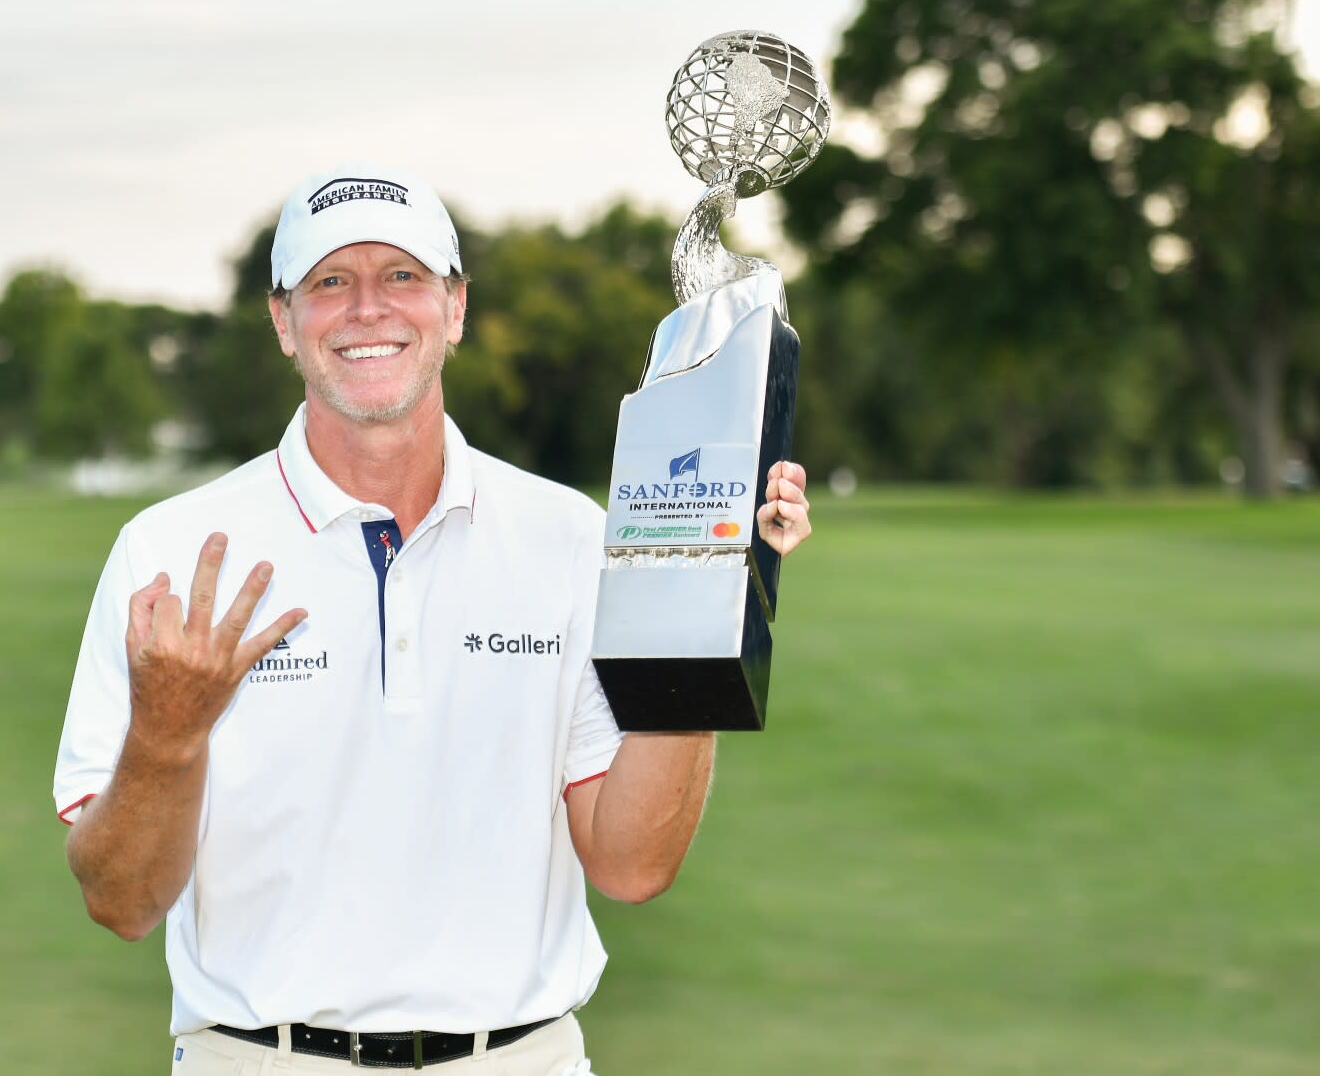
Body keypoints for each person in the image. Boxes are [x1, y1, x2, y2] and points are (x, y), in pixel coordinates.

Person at [53, 162, 813, 1073]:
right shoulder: (168, 552)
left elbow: (631, 864)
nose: (369, 308)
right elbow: (122, 902)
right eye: (331, 281)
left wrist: (702, 602)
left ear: (454, 309)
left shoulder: (573, 538)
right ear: (283, 322)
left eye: (403, 277)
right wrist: (167, 739)